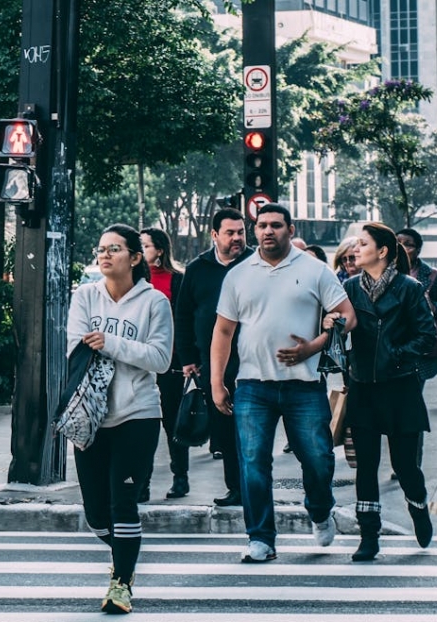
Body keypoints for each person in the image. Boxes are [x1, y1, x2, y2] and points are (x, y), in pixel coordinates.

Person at [210, 203, 356, 563]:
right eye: (261, 225)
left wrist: (315, 346)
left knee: (319, 460)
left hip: (303, 386)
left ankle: (320, 510)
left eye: (276, 225)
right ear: (255, 230)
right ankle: (260, 538)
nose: (267, 231)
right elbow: (223, 332)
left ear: (290, 229)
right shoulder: (238, 275)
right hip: (252, 386)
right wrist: (216, 382)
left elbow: (348, 316)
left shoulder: (315, 270)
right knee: (253, 463)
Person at [67, 224, 173, 614]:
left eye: (115, 248)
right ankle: (126, 551)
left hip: (138, 413)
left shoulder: (154, 303)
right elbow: (75, 348)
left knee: (123, 501)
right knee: (97, 514)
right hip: (90, 415)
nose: (105, 254)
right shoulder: (84, 296)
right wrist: (117, 347)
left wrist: (110, 343)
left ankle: (121, 582)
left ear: (134, 257)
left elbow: (160, 359)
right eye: (101, 248)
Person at [328, 223, 435, 561]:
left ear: (383, 250)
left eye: (363, 244)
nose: (355, 250)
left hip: (401, 385)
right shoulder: (349, 289)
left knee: (405, 466)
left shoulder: (410, 288)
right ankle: (369, 535)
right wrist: (333, 329)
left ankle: (418, 507)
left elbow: (427, 336)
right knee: (366, 466)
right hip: (362, 386)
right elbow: (337, 338)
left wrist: (396, 355)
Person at [176, 208, 255, 508]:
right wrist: (188, 358)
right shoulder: (198, 268)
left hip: (252, 359)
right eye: (230, 233)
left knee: (251, 428)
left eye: (241, 232)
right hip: (213, 364)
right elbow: (183, 315)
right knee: (223, 429)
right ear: (214, 235)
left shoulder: (255, 263)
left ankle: (254, 489)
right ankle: (235, 488)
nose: (237, 238)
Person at [140, 226, 189, 501]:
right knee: (142, 426)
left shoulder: (177, 280)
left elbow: (183, 324)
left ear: (159, 249)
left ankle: (180, 477)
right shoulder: (134, 282)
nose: (141, 250)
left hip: (170, 365)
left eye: (145, 245)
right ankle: (142, 483)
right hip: (140, 365)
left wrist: (187, 362)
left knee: (173, 425)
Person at [397, 228, 437, 384]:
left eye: (408, 244)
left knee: (411, 397)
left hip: (419, 346)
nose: (401, 248)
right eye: (397, 243)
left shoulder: (435, 276)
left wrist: (433, 307)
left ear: (418, 250)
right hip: (392, 346)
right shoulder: (384, 274)